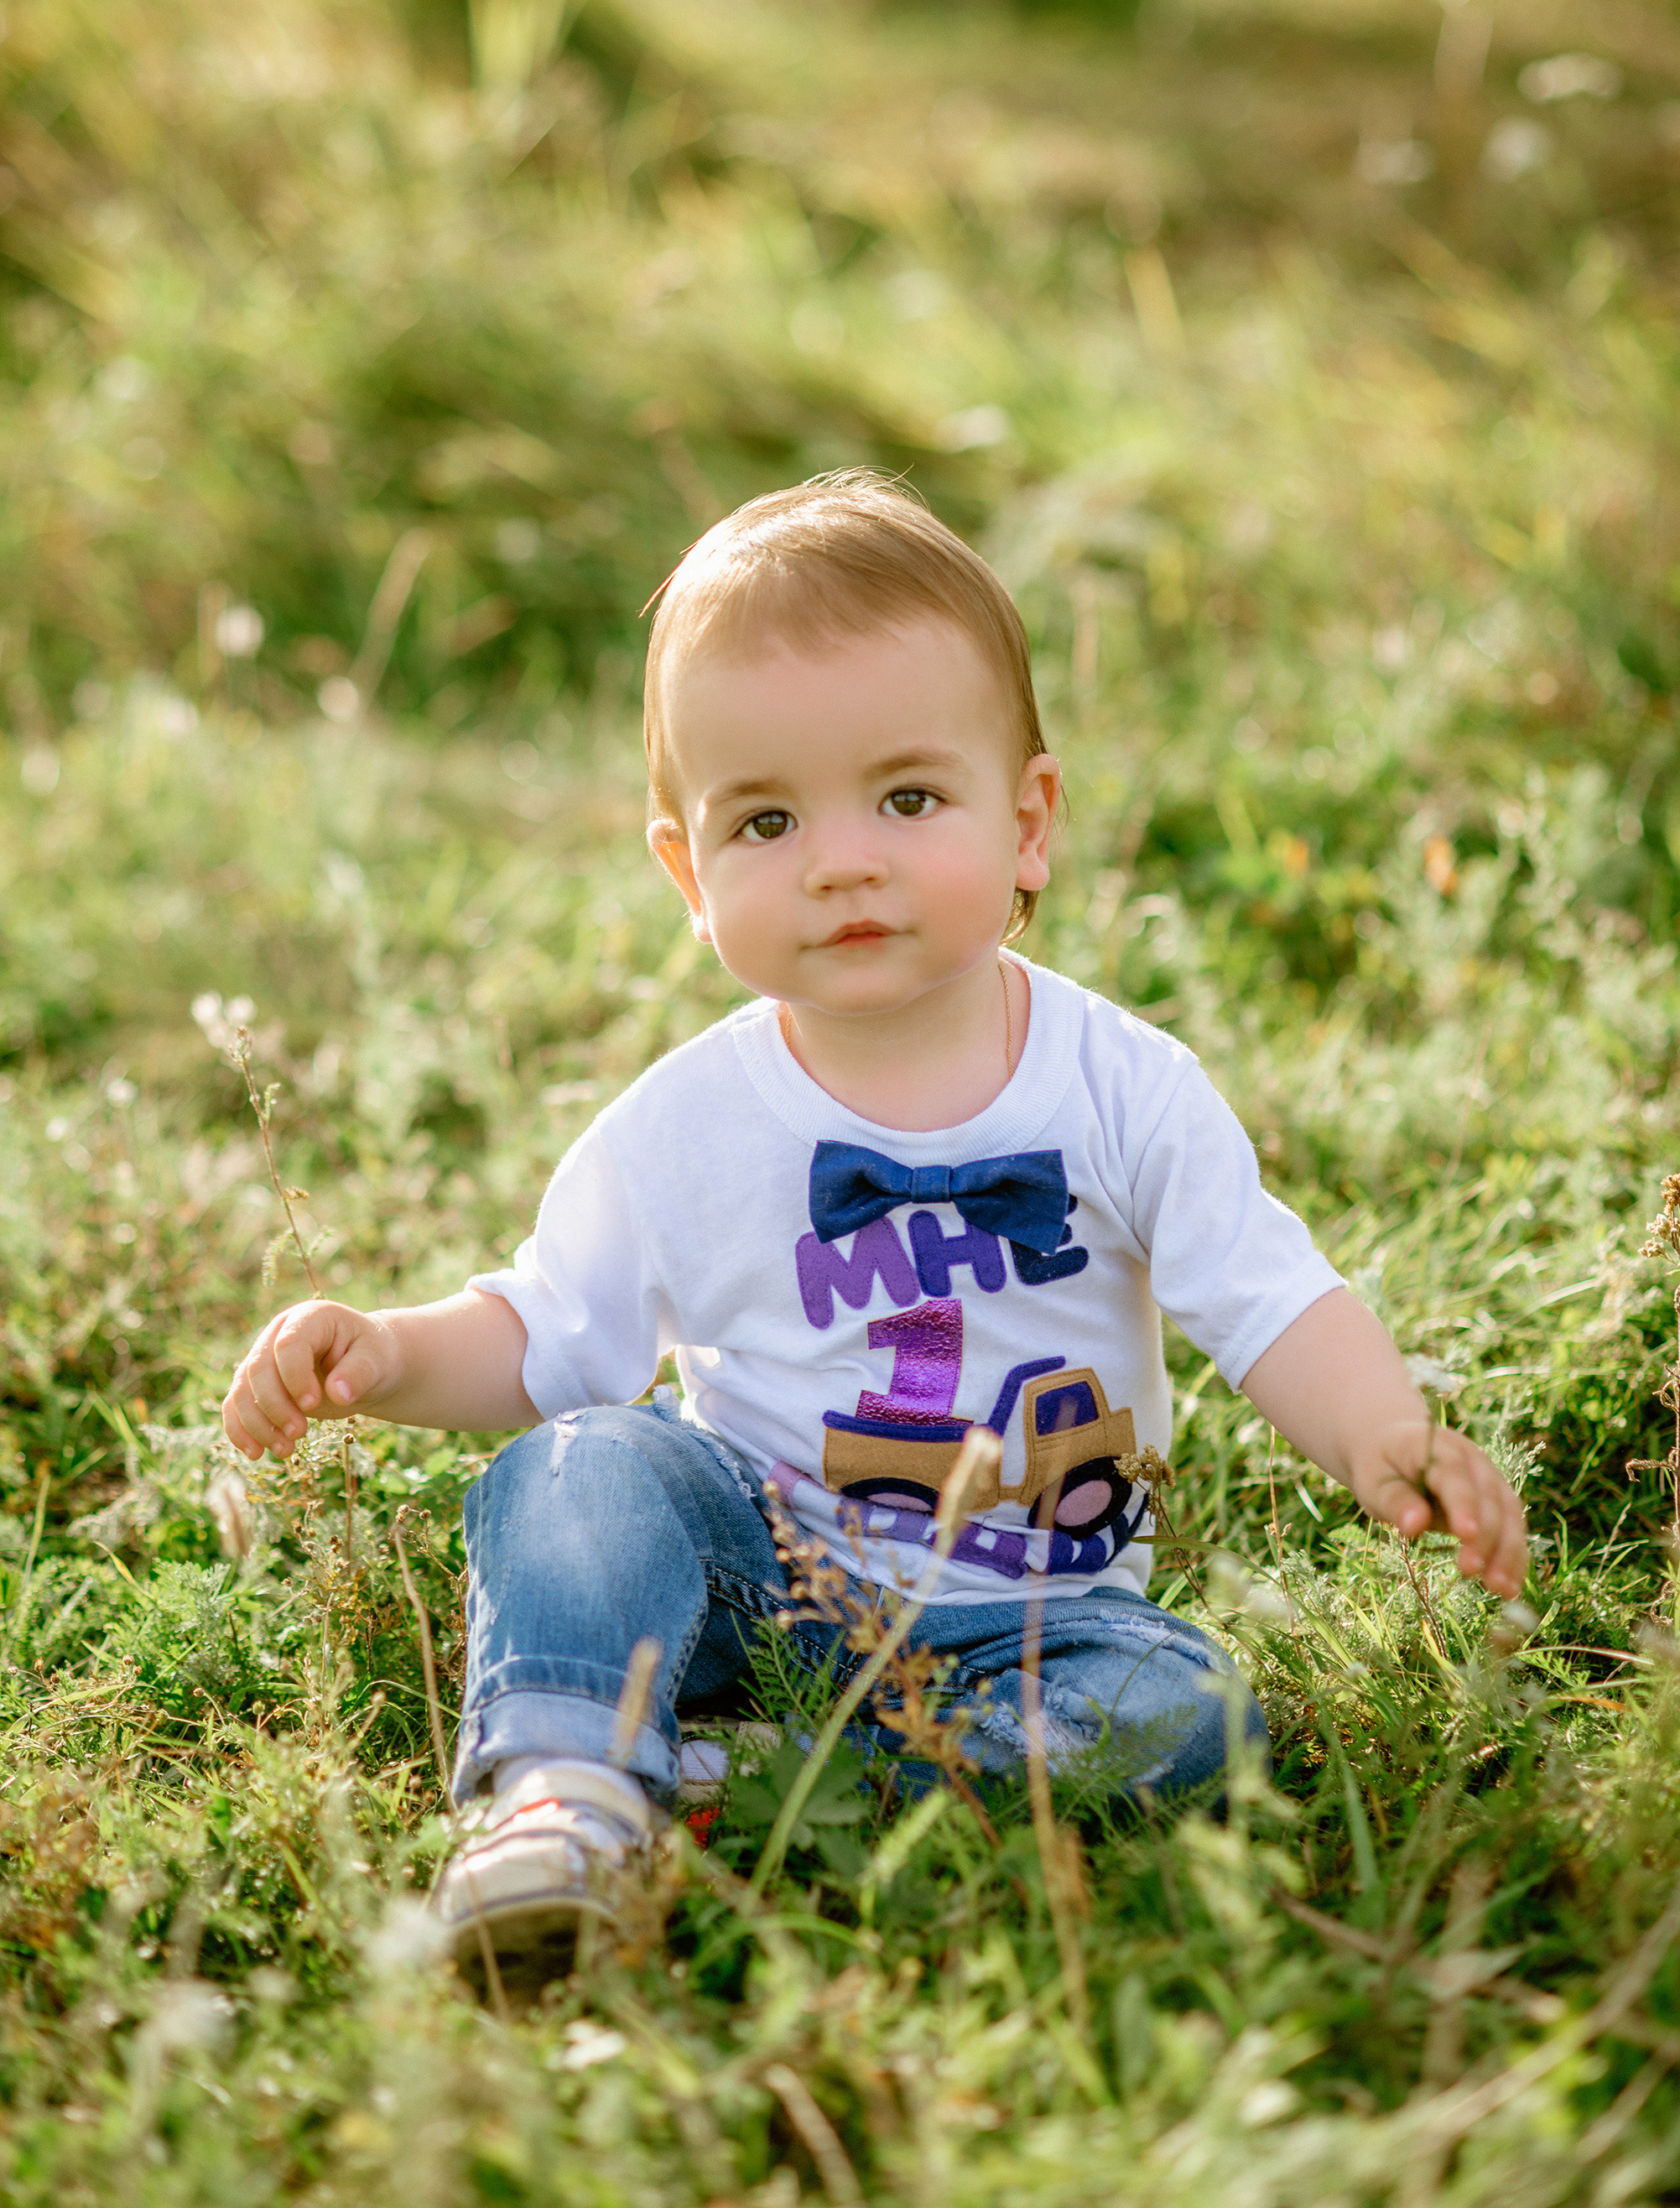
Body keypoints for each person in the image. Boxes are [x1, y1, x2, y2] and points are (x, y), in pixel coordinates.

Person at [221, 471, 1527, 1981]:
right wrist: (387, 1353)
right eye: (767, 819)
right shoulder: (682, 1129)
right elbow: (545, 1336)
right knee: (580, 1468)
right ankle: (564, 1793)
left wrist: (1385, 1434)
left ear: (1027, 823)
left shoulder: (1121, 1089)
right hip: (761, 1578)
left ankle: (738, 1782)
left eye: (908, 799)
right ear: (687, 872)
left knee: (1183, 1718)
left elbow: (1269, 1296)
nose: (841, 860)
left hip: (1040, 1622)